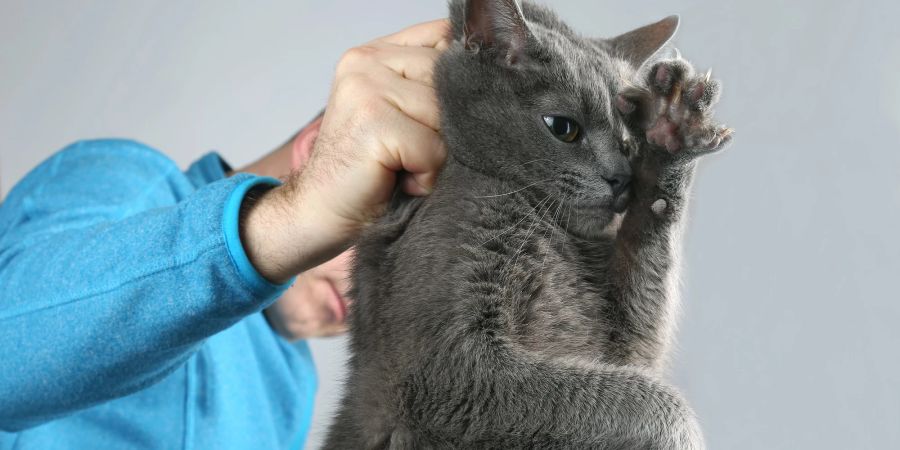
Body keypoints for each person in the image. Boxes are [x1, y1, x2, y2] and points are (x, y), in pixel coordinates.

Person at [0, 19, 449, 449]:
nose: (367, 301)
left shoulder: (296, 391)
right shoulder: (132, 183)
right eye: (389, 243)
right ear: (320, 151)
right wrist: (289, 222)